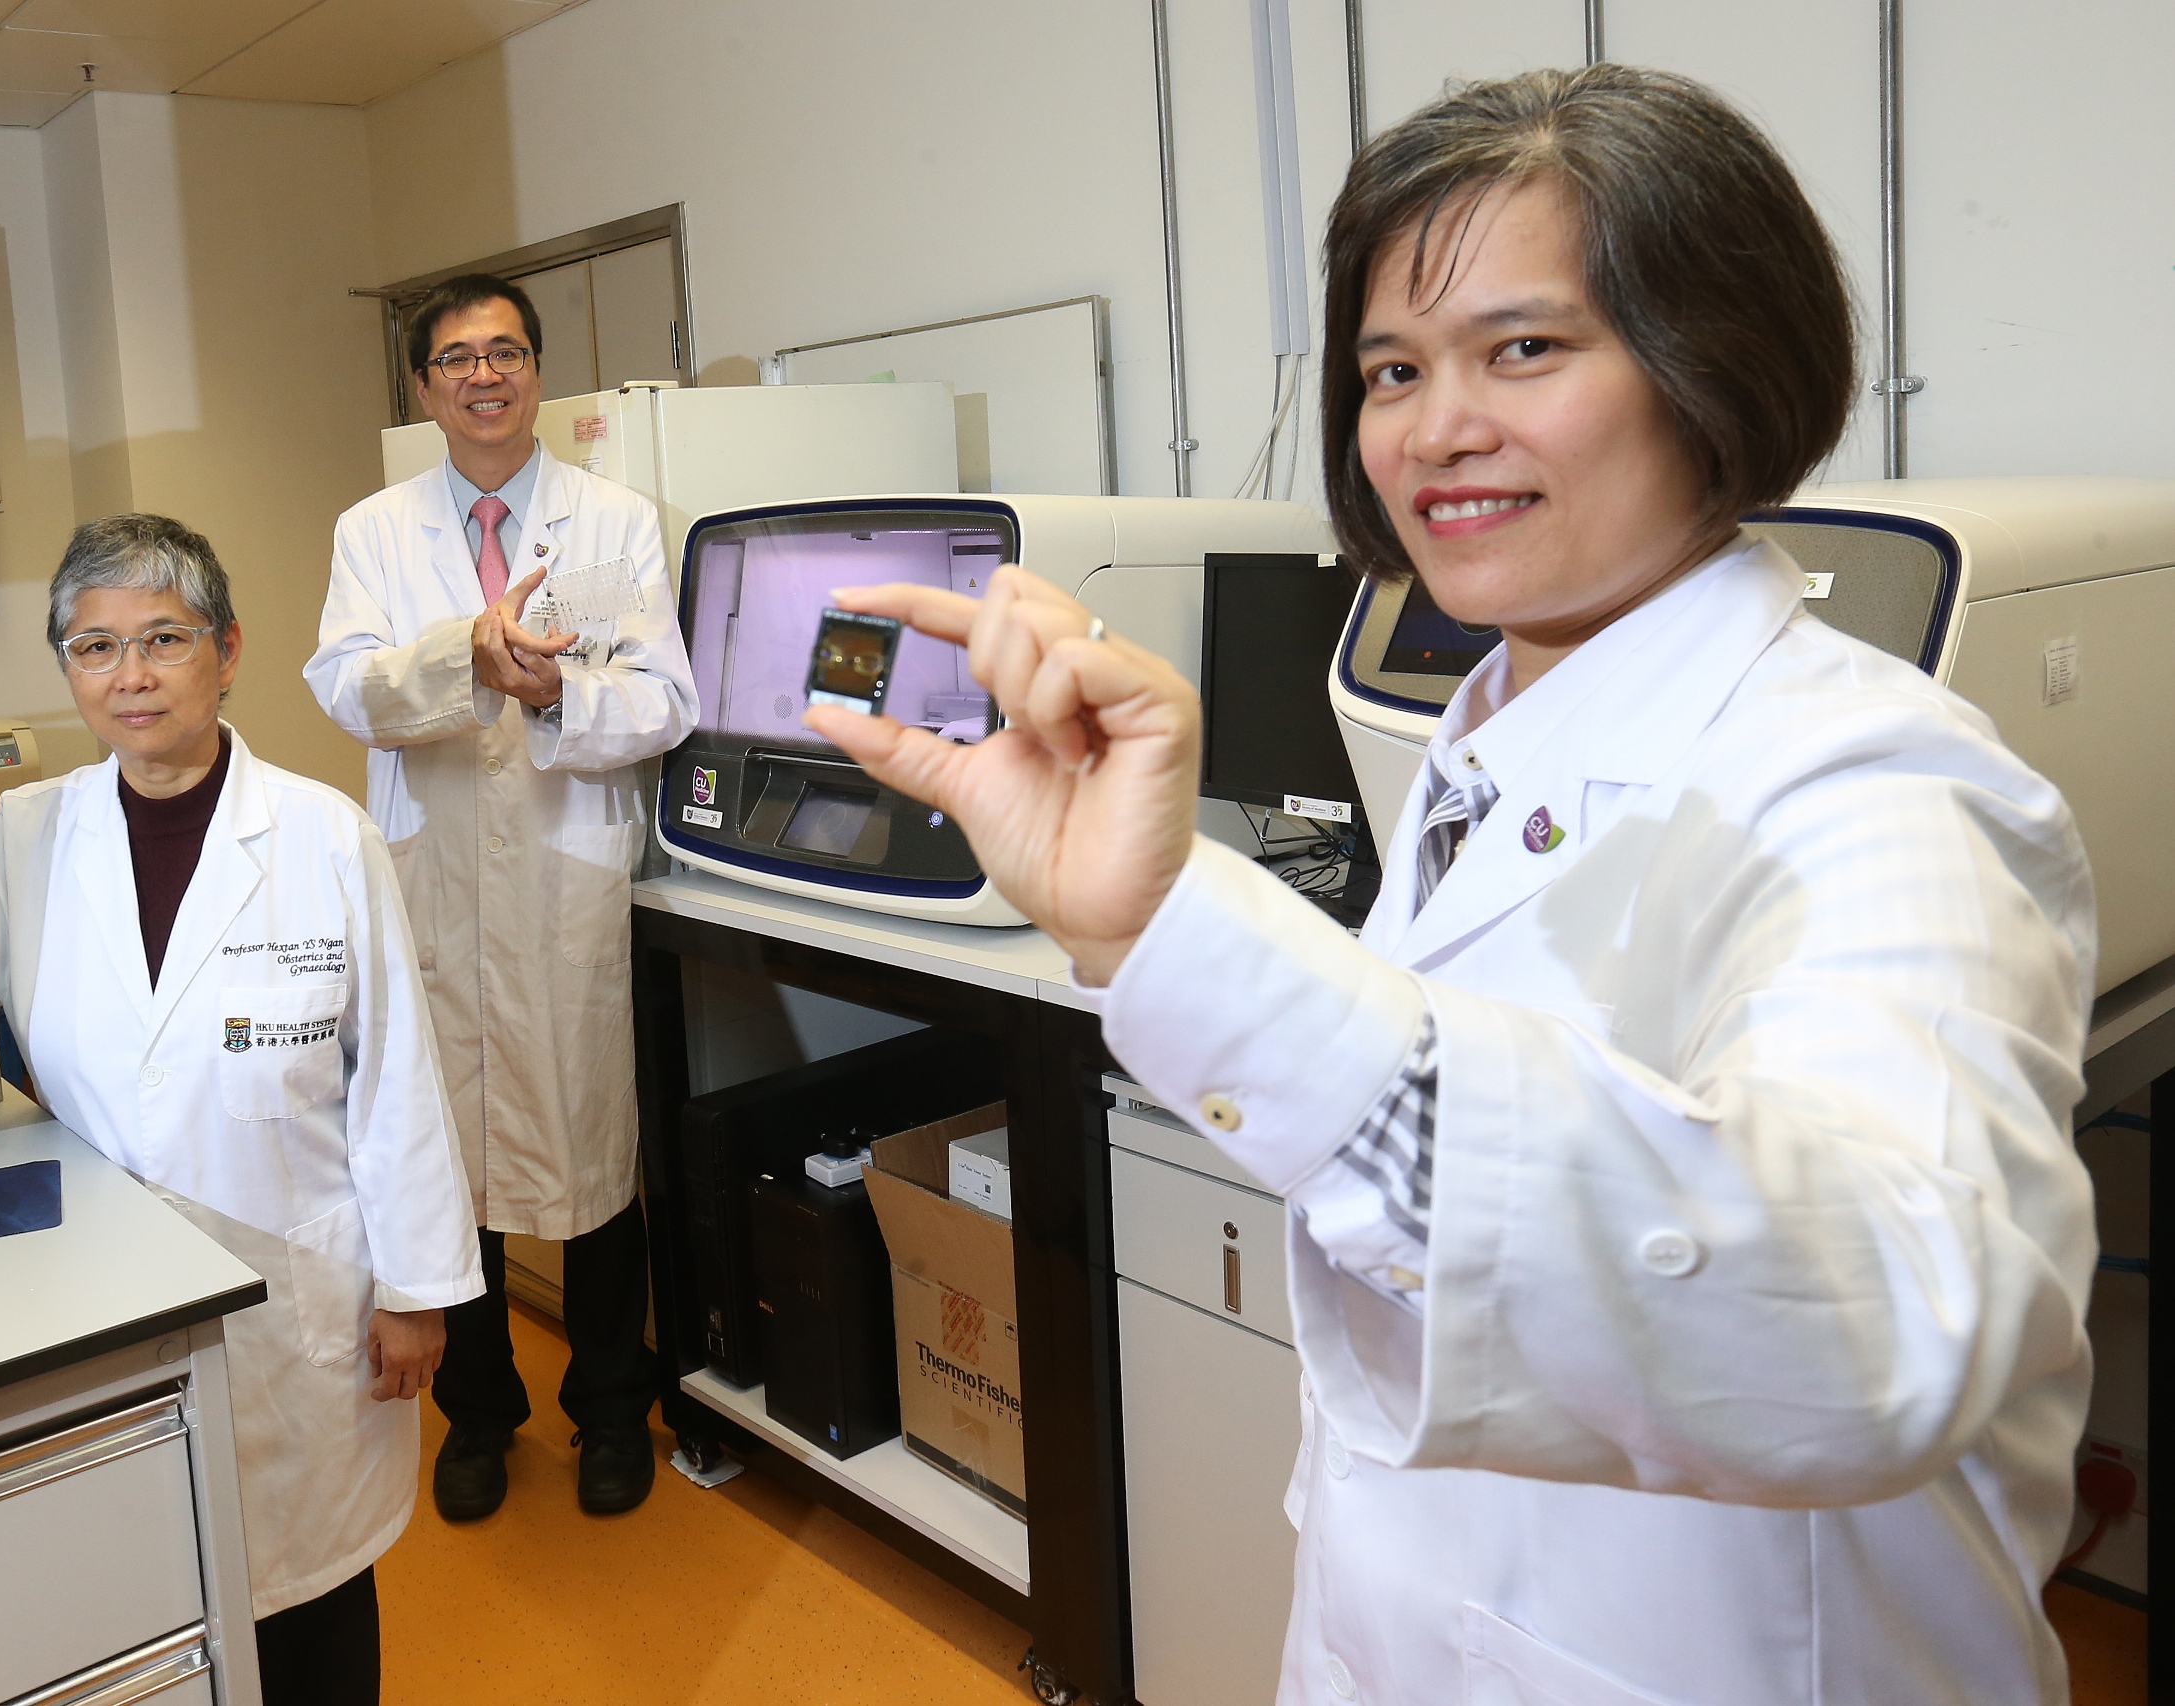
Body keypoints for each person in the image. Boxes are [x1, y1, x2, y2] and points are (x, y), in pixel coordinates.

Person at [811, 67, 2097, 1706]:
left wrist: (1201, 960)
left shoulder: (1883, 792)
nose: (1434, 429)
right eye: (1390, 370)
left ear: (1715, 358)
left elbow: (1878, 1324)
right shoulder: (1493, 737)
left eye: (1524, 349)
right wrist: (1142, 915)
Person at [0, 514, 481, 1704]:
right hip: (109, 1297)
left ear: (226, 651)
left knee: (312, 1600)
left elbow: (397, 1081)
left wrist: (417, 1291)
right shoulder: (29, 831)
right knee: (151, 1596)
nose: (128, 676)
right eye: (93, 647)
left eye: (162, 639)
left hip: (294, 1291)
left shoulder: (325, 835)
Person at [306, 274, 700, 1520]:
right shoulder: (374, 529)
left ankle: (609, 1410)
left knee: (592, 1156)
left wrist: (550, 697)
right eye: (458, 357)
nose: (485, 374)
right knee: (446, 1157)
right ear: (423, 386)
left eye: (508, 352)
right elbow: (345, 687)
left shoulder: (616, 519)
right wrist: (459, 659)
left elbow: (667, 700)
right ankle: (478, 1413)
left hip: (565, 872)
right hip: (431, 879)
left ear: (537, 371)